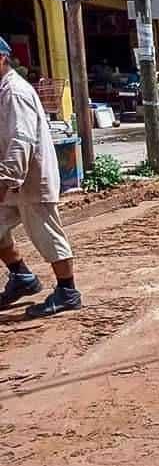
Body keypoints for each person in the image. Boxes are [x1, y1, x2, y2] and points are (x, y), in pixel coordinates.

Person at [0, 36, 81, 317]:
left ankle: (68, 291)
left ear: (1, 59)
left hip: (30, 178)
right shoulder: (3, 90)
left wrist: (5, 179)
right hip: (12, 180)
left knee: (46, 234)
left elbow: (20, 140)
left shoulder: (14, 93)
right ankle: (21, 276)